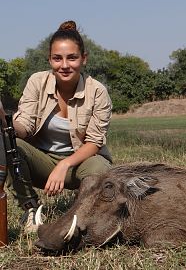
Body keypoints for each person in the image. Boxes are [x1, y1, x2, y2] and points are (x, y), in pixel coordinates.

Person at [0, 20, 112, 233]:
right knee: (9, 143)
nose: (64, 65)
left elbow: (95, 142)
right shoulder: (37, 81)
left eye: (72, 58)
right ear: (50, 60)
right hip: (41, 162)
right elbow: (24, 127)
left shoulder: (97, 91)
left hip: (80, 163)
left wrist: (64, 165)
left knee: (100, 169)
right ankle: (30, 210)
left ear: (84, 59)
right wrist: (3, 117)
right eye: (57, 58)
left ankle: (84, 213)